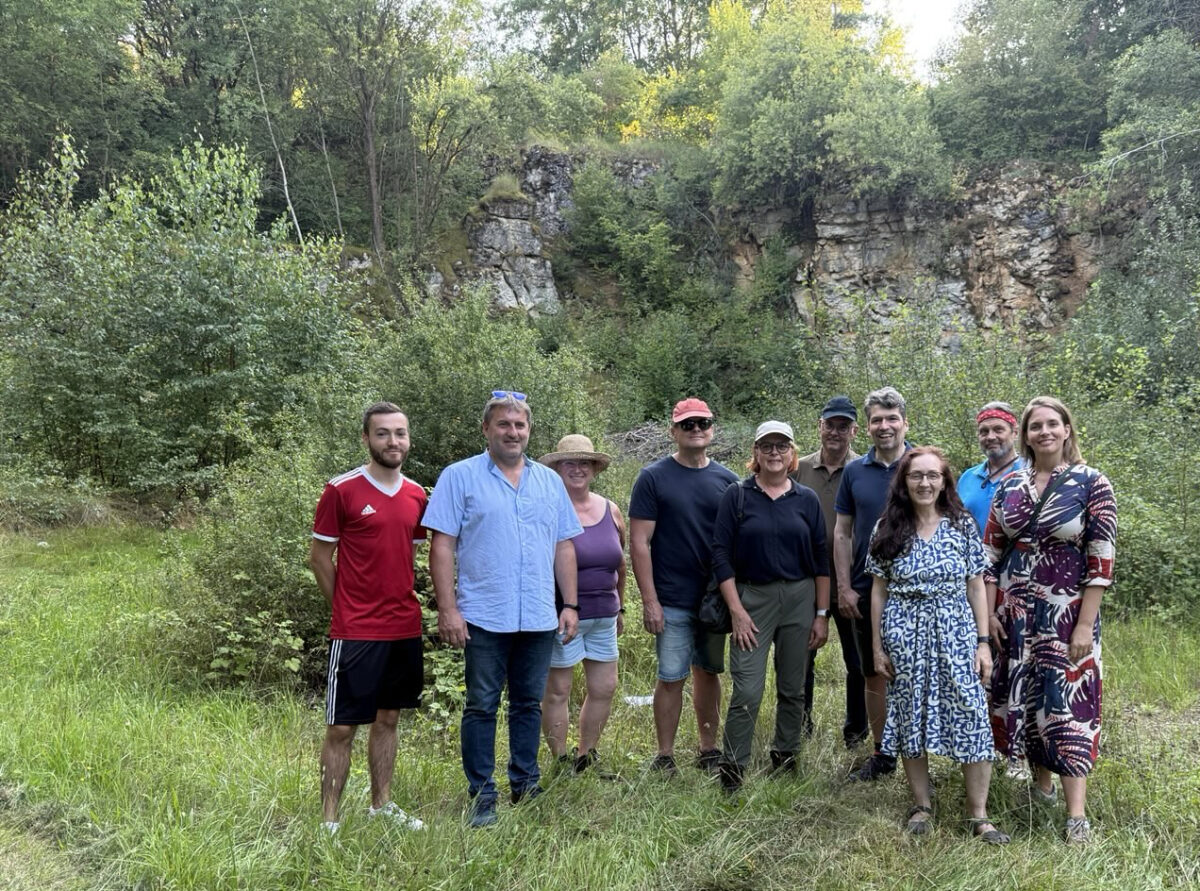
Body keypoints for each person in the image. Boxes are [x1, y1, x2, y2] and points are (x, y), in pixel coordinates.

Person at [424, 391, 583, 828]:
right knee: (481, 705)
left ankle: (525, 784)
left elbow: (563, 544)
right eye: (504, 424)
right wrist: (448, 608)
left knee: (528, 704)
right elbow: (442, 545)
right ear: (486, 429)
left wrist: (569, 603)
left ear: (529, 430)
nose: (513, 432)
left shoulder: (549, 482)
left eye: (520, 425)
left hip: (537, 614)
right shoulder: (459, 477)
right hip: (482, 615)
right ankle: (482, 797)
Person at [985, 396, 1116, 845]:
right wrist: (989, 616)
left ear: (1066, 430)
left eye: (1052, 424)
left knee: (1067, 704)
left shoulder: (1092, 482)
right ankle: (1041, 789)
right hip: (1015, 610)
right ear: (1025, 435)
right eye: (1035, 426)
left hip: (1067, 611)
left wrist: (1084, 624)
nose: (1044, 432)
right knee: (1029, 692)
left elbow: (1101, 559)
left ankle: (1075, 814)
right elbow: (990, 552)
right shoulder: (1010, 485)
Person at [866, 447, 1009, 843]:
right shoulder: (887, 526)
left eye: (933, 476)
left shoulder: (962, 525)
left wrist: (983, 643)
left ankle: (978, 814)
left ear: (945, 481)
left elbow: (977, 585)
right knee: (911, 715)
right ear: (904, 482)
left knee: (971, 714)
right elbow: (878, 590)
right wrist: (877, 647)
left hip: (956, 632)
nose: (924, 483)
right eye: (916, 476)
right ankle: (921, 805)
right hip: (904, 633)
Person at [309, 401, 428, 835]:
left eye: (400, 433)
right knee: (341, 727)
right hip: (357, 629)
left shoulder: (417, 494)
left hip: (404, 626)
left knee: (389, 719)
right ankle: (329, 822)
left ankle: (382, 806)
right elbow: (320, 559)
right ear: (366, 438)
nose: (392, 441)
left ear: (408, 439)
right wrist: (344, 607)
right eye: (383, 433)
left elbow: (410, 554)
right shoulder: (341, 490)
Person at [712, 421, 830, 792]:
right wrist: (736, 610)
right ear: (756, 453)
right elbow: (720, 555)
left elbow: (821, 559)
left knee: (793, 686)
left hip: (799, 597)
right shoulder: (738, 495)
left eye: (782, 446)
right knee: (747, 688)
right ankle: (733, 767)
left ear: (793, 452)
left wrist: (821, 615)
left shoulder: (806, 499)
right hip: (752, 597)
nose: (775, 453)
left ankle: (786, 755)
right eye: (767, 447)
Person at [629, 397, 738, 775]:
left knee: (708, 672)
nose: (696, 430)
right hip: (671, 596)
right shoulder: (653, 477)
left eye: (702, 424)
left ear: (712, 430)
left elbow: (735, 541)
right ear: (673, 431)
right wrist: (649, 600)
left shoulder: (727, 481)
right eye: (687, 424)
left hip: (713, 598)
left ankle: (708, 749)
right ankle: (665, 755)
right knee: (671, 675)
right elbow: (639, 542)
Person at [834, 386, 911, 781]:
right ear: (867, 427)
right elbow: (843, 532)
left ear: (904, 422)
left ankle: (918, 752)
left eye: (891, 418)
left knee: (915, 672)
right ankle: (882, 753)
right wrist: (844, 587)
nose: (885, 426)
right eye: (877, 420)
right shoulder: (854, 472)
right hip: (865, 591)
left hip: (916, 591)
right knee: (873, 671)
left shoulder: (921, 465)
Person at [538, 434, 627, 776]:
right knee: (558, 689)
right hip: (564, 615)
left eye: (584, 463)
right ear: (558, 468)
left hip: (605, 613)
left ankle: (585, 754)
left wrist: (621, 606)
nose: (578, 469)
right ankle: (560, 758)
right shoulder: (548, 510)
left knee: (604, 687)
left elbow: (620, 562)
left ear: (594, 469)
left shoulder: (610, 509)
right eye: (570, 463)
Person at [792, 395, 866, 747]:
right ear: (819, 427)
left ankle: (857, 731)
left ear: (854, 431)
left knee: (858, 660)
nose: (835, 432)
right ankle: (799, 725)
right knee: (802, 657)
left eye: (843, 426)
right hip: (807, 580)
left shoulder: (863, 469)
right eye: (829, 425)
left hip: (852, 581)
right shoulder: (799, 468)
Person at [956, 402, 1025, 533]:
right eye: (984, 432)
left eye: (998, 430)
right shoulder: (967, 478)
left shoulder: (1031, 473)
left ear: (1014, 433)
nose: (991, 437)